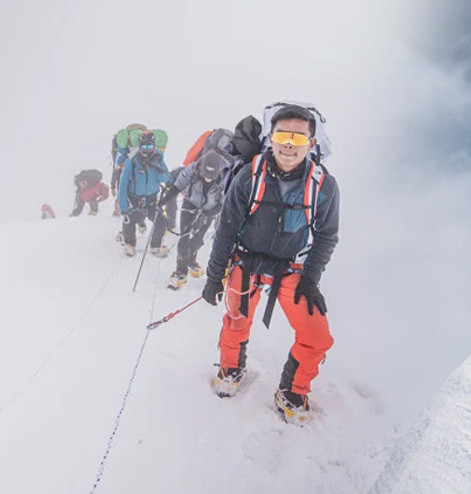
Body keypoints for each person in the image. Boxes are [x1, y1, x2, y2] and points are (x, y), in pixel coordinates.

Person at [202, 105, 339, 424]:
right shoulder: (250, 176)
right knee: (236, 320)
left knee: (317, 336)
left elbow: (327, 235)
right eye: (282, 135)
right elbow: (226, 227)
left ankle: (292, 391)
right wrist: (214, 276)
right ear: (271, 138)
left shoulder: (324, 185)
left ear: (312, 142)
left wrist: (311, 279)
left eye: (298, 137)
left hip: (291, 269)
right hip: (245, 262)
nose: (289, 144)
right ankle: (231, 368)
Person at [161, 150, 230, 289]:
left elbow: (226, 201)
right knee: (184, 238)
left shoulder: (226, 176)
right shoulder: (192, 169)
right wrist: (166, 198)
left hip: (209, 210)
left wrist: (210, 212)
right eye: (205, 175)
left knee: (198, 237)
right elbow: (178, 185)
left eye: (211, 176)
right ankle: (180, 272)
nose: (208, 179)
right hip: (190, 204)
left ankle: (192, 261)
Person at [117, 130, 171, 258]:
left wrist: (158, 168)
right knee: (129, 221)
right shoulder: (132, 162)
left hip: (151, 200)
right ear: (140, 147)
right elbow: (123, 184)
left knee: (161, 221)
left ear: (154, 146)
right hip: (134, 199)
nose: (147, 150)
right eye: (144, 147)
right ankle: (130, 244)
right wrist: (124, 207)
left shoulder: (159, 160)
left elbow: (166, 179)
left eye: (150, 146)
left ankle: (156, 246)